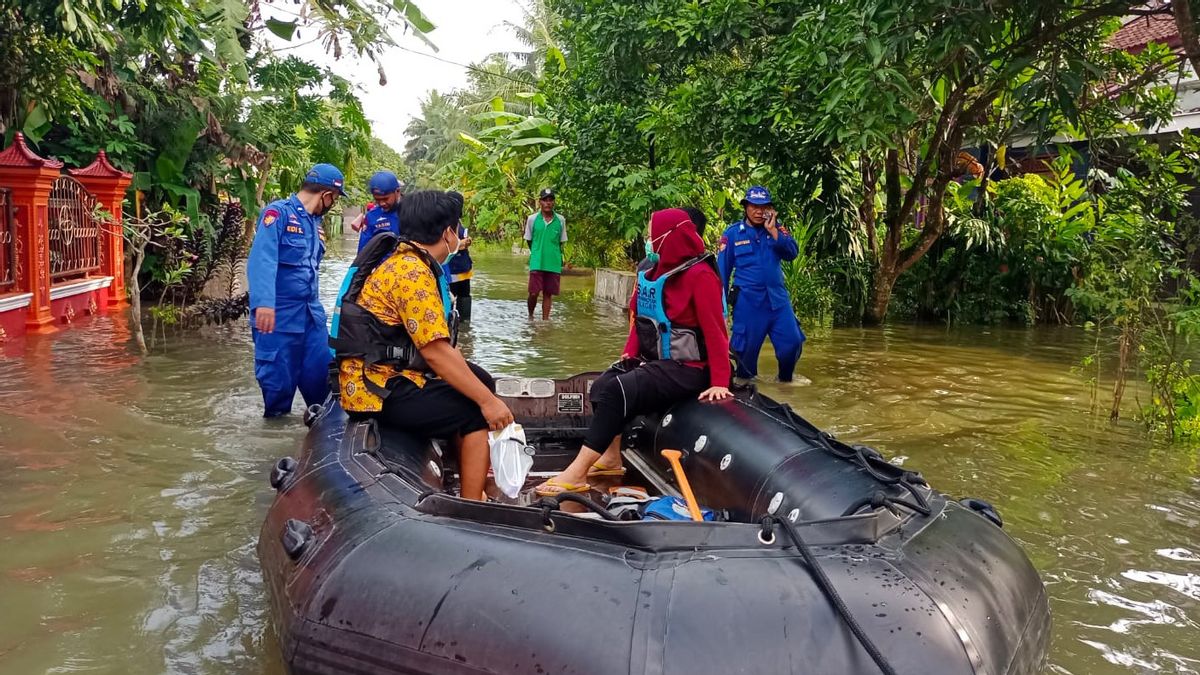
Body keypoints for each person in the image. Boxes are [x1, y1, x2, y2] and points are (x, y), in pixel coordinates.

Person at [331, 190, 513, 501]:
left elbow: (437, 343)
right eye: (457, 228)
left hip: (385, 375)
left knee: (480, 381)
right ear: (447, 233)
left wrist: (481, 390)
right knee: (475, 411)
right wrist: (488, 403)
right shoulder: (412, 273)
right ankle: (472, 507)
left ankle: (477, 476)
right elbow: (434, 351)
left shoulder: (408, 261)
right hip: (375, 389)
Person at [536, 208, 732, 496]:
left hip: (690, 368)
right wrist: (629, 353)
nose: (649, 241)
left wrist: (720, 382)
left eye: (654, 235)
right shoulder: (651, 274)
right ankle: (611, 457)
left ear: (671, 237)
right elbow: (639, 320)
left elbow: (716, 333)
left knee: (618, 392)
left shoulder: (700, 275)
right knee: (604, 385)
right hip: (658, 362)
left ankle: (576, 473)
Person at [246, 163, 343, 417]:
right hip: (278, 317)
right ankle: (275, 443)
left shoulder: (314, 224)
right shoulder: (277, 215)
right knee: (277, 388)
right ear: (327, 195)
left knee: (324, 384)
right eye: (333, 199)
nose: (332, 204)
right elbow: (262, 260)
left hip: (311, 317)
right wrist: (264, 303)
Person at [717, 186, 806, 384]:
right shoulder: (732, 234)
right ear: (746, 208)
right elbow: (722, 273)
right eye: (754, 207)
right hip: (748, 303)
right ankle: (746, 395)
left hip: (778, 302)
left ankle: (784, 383)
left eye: (763, 207)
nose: (758, 211)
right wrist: (720, 311)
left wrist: (773, 231)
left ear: (770, 209)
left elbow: (792, 253)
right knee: (745, 358)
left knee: (791, 343)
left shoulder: (777, 230)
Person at [524, 188, 567, 320]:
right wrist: (537, 252)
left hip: (553, 262)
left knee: (548, 294)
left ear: (553, 202)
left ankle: (545, 321)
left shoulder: (560, 220)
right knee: (533, 293)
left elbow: (560, 242)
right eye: (545, 200)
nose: (548, 203)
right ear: (540, 202)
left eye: (550, 200)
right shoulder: (532, 219)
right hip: (537, 261)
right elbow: (529, 240)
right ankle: (530, 316)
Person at [350, 171, 404, 252]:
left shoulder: (412, 211)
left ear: (397, 191)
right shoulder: (372, 216)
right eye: (377, 199)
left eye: (386, 199)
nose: (382, 203)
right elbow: (363, 250)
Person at [445, 191, 476, 321]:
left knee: (464, 299)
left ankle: (464, 329)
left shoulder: (458, 223)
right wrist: (461, 244)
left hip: (463, 269)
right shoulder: (442, 223)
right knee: (449, 300)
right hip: (449, 270)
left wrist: (466, 242)